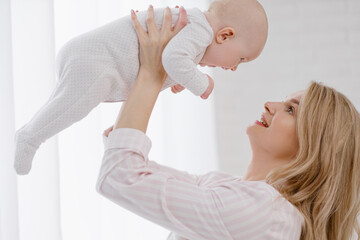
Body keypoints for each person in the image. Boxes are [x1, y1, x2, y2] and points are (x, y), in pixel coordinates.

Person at [96, 6, 360, 240]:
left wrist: (152, 73)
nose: (270, 104)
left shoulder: (263, 212)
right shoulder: (230, 188)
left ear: (313, 146)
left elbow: (120, 175)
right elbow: (134, 168)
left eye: (291, 110)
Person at [14, 0, 268, 175]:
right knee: (71, 107)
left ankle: (31, 133)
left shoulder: (194, 28)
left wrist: (178, 76)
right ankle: (30, 137)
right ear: (225, 35)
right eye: (241, 59)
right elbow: (172, 58)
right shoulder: (201, 29)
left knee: (66, 103)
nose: (235, 67)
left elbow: (169, 58)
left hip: (92, 57)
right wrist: (202, 83)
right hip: (96, 60)